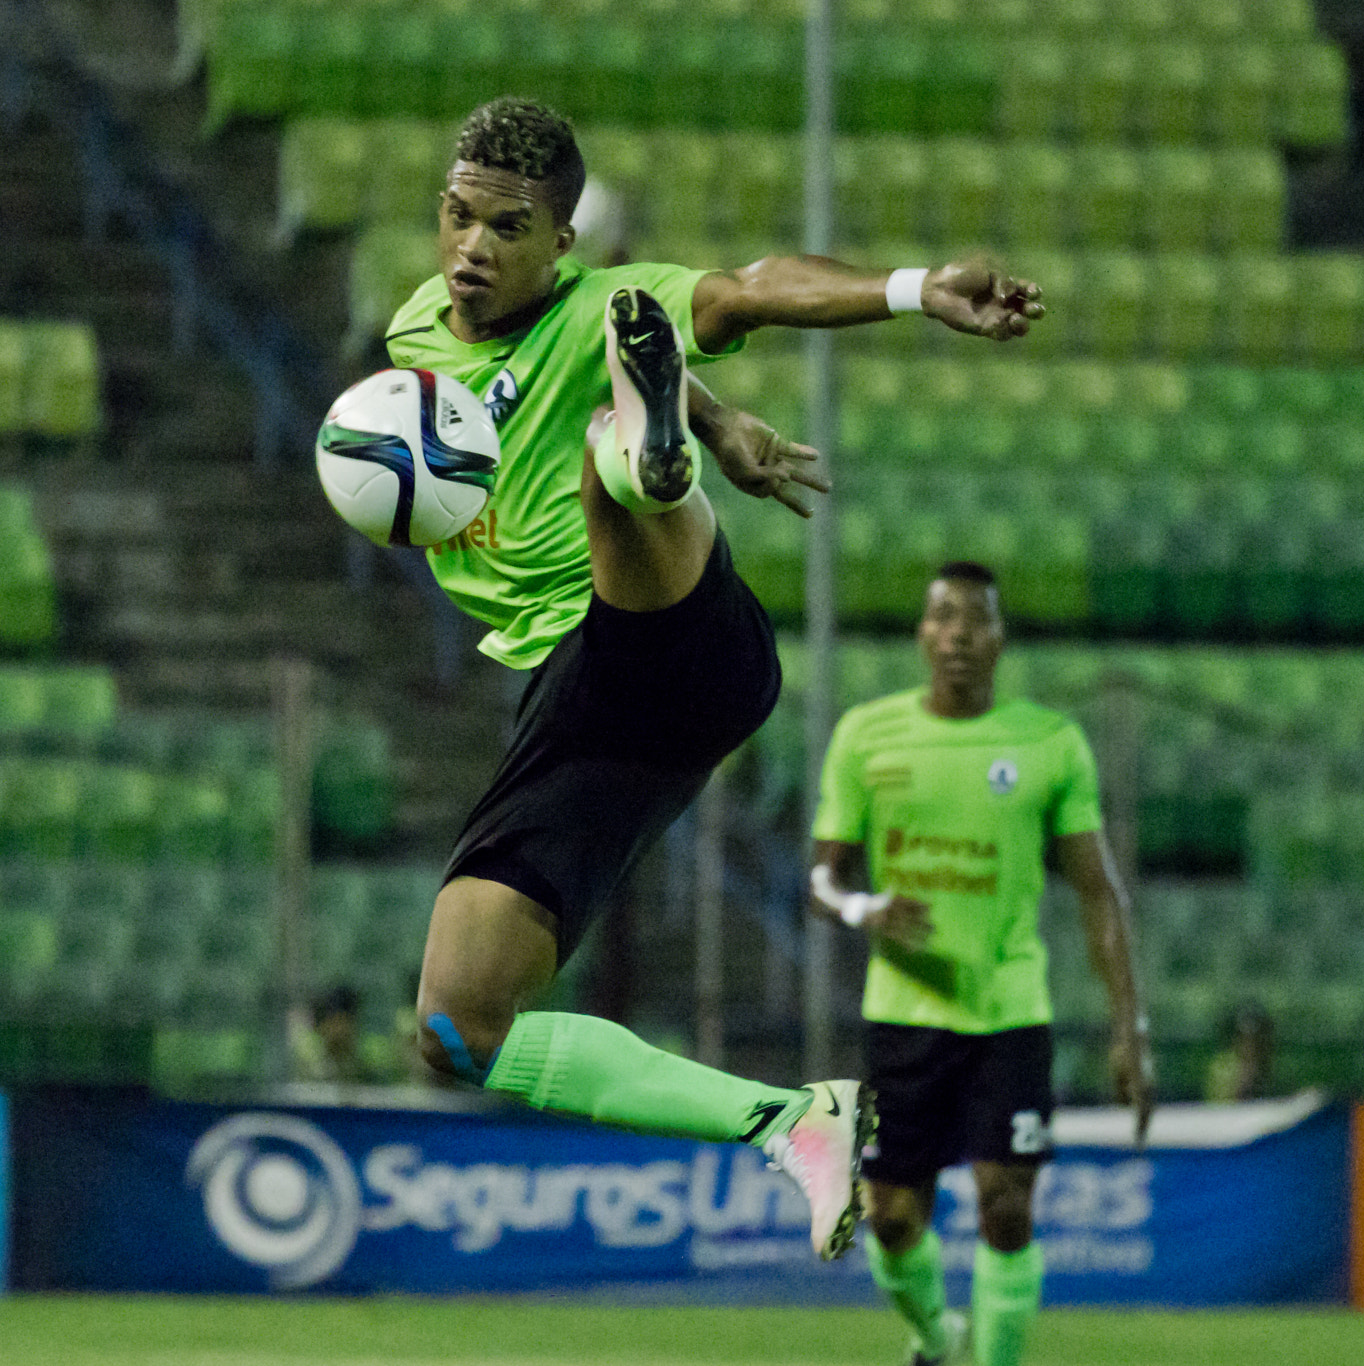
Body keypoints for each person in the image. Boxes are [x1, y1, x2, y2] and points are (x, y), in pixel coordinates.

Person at [386, 97, 1045, 1261]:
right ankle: (792, 1121)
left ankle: (641, 461)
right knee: (454, 1021)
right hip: (588, 708)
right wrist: (717, 411)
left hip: (668, 625)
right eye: (454, 216)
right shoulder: (415, 337)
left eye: (503, 226)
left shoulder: (606, 300)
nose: (470, 248)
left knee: (611, 464)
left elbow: (750, 285)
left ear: (561, 243)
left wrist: (911, 287)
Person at [808, 563, 1152, 1365]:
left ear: (999, 639)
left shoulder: (1050, 744)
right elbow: (822, 880)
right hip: (904, 1012)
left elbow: (1101, 896)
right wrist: (866, 910)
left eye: (977, 620)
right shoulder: (867, 735)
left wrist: (1129, 1030)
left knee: (1005, 1206)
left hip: (1009, 1011)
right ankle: (937, 1336)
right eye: (943, 616)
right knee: (890, 1216)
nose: (959, 632)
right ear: (923, 635)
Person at [1203, 999, 1273, 1103]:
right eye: (1245, 1038)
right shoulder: (1222, 1067)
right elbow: (1217, 1105)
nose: (1250, 1044)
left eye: (1256, 1038)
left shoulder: (1268, 1065)